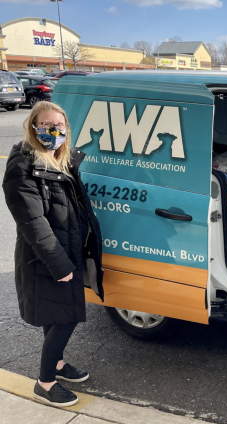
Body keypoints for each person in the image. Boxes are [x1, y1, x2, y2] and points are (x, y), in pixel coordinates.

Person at [2, 102, 104, 407]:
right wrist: (58, 263)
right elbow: (32, 222)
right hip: (45, 257)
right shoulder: (23, 165)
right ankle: (45, 382)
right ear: (33, 127)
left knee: (54, 312)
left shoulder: (62, 159)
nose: (54, 132)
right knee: (65, 317)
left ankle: (57, 363)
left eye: (59, 126)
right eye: (46, 126)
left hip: (67, 249)